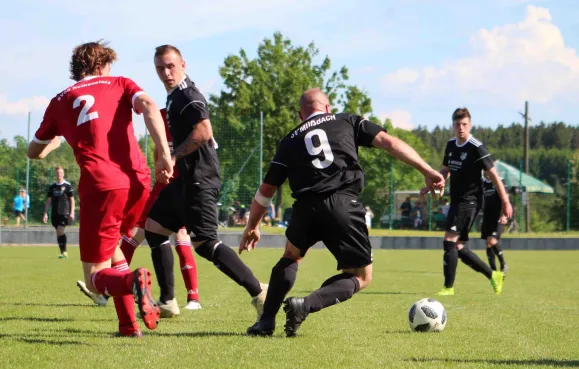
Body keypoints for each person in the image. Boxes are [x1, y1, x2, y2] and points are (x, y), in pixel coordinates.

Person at [241, 88, 445, 337]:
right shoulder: (346, 120)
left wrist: (253, 225)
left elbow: (265, 191)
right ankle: (304, 306)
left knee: (291, 257)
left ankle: (266, 321)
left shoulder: (289, 140)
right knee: (361, 276)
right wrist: (426, 170)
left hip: (305, 207)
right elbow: (389, 142)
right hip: (342, 204)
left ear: (300, 115)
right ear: (328, 107)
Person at [28, 40, 173, 337]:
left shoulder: (59, 101)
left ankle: (133, 283)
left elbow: (34, 151)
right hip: (137, 181)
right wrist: (164, 155)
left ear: (76, 68)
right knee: (114, 252)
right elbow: (147, 105)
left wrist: (53, 141)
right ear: (103, 64)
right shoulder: (120, 83)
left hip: (102, 187)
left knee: (94, 277)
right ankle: (128, 326)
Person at [144, 44, 267, 321]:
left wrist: (172, 156)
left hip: (200, 179)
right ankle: (167, 302)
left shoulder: (188, 95)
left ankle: (259, 291)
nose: (166, 72)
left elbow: (203, 131)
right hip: (186, 180)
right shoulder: (175, 97)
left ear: (183, 64)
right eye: (160, 68)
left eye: (170, 66)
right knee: (153, 229)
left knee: (205, 244)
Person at [77, 109, 202, 313]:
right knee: (136, 233)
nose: (166, 75)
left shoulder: (192, 112)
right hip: (163, 185)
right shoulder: (162, 114)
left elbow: (202, 145)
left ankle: (191, 297)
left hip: (184, 185)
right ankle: (112, 289)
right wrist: (159, 167)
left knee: (180, 235)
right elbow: (158, 148)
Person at [422, 107, 513, 296]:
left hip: (470, 201)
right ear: (453, 126)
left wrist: (505, 201)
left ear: (469, 125)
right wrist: (433, 183)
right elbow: (446, 169)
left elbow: (494, 175)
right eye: (457, 124)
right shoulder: (451, 145)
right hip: (456, 201)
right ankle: (493, 275)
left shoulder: (476, 147)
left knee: (449, 240)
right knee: (458, 246)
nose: (461, 128)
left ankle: (448, 288)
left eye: (464, 124)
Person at [43, 165, 75, 258]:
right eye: (57, 173)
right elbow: (49, 201)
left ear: (63, 174)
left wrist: (72, 212)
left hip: (64, 212)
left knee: (60, 230)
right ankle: (62, 252)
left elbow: (72, 200)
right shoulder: (52, 186)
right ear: (55, 174)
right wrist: (45, 213)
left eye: (61, 172)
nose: (59, 174)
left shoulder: (67, 186)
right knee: (58, 232)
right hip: (55, 213)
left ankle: (64, 252)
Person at [481, 173, 509, 278]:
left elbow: (505, 198)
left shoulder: (499, 181)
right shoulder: (483, 183)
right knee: (488, 243)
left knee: (492, 240)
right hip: (487, 217)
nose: (485, 172)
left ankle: (503, 264)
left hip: (498, 217)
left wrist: (504, 215)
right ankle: (493, 270)